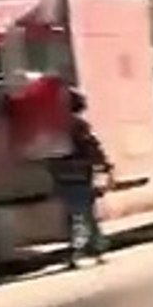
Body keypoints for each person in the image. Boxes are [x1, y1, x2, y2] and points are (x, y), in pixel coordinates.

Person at [51, 89, 110, 269]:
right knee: (84, 214)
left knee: (76, 214)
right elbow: (91, 147)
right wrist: (104, 165)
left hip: (61, 174)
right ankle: (83, 250)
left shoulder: (55, 125)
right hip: (79, 175)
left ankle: (93, 247)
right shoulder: (78, 125)